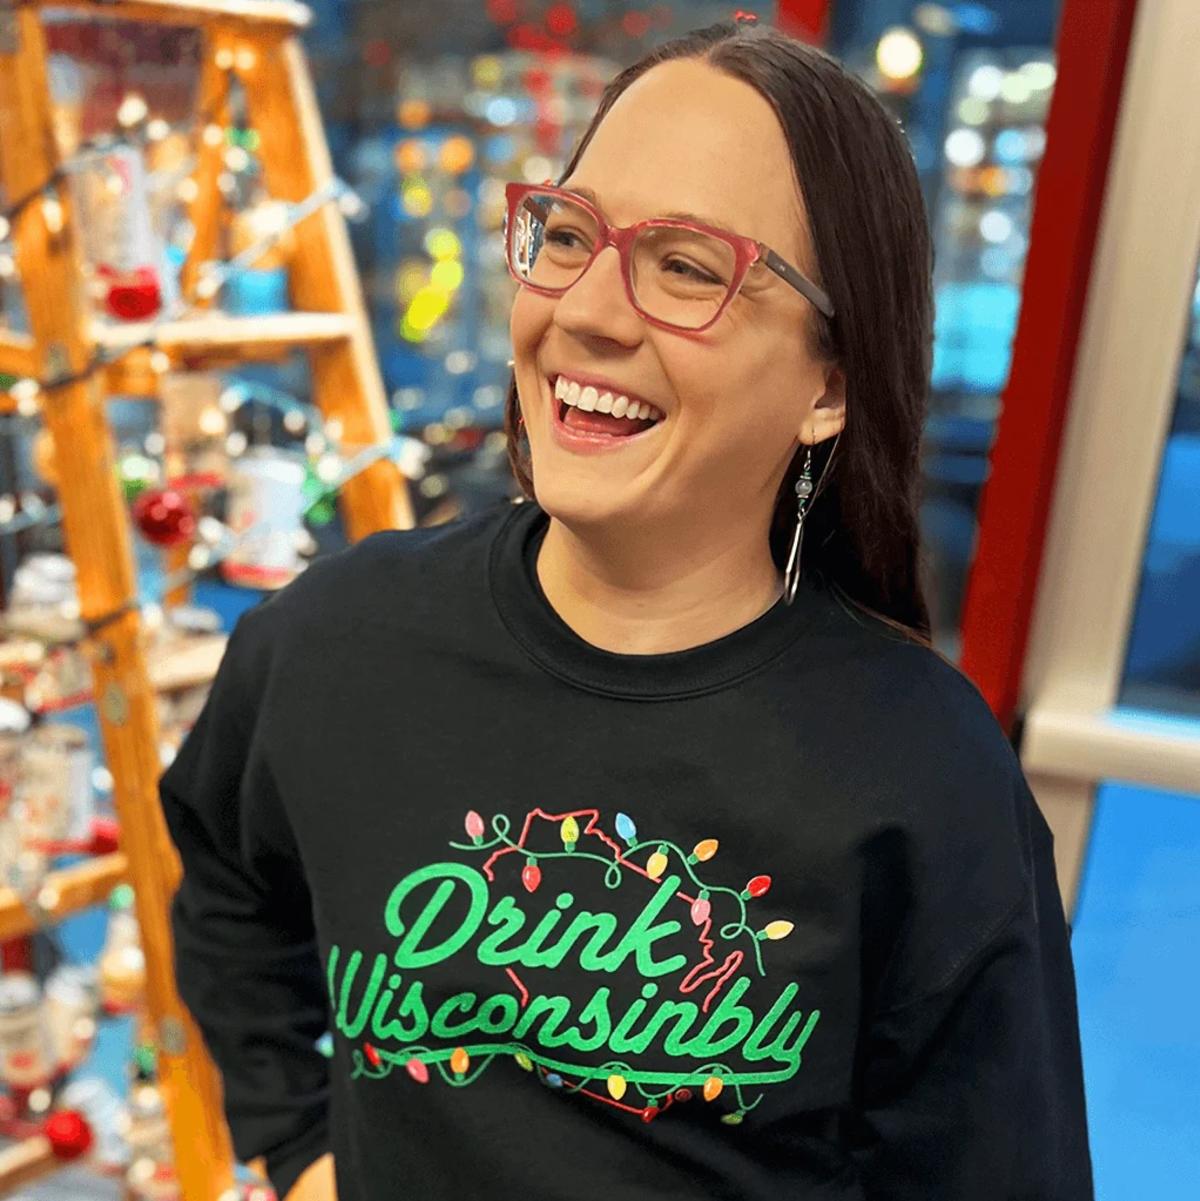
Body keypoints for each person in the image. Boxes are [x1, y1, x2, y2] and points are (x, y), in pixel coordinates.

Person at [158, 18, 1093, 1201]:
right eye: (569, 234)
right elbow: (224, 876)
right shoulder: (338, 642)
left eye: (689, 266)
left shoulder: (924, 776)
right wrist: (302, 1147)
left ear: (828, 386)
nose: (588, 312)